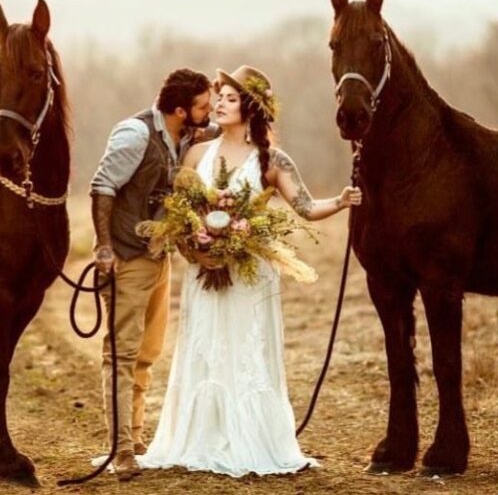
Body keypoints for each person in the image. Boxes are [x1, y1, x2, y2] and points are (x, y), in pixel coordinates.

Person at [137, 65, 362, 477]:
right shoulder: (197, 152)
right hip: (204, 273)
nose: (219, 103)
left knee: (246, 349)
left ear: (251, 108)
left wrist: (342, 200)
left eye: (229, 97)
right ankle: (201, 435)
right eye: (218, 96)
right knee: (206, 347)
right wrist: (195, 249)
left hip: (250, 275)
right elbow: (178, 211)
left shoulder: (271, 160)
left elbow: (306, 208)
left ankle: (251, 437)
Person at [89, 68, 217, 481]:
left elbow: (225, 126)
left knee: (146, 353)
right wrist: (105, 247)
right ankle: (120, 450)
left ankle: (137, 437)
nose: (209, 111)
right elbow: (103, 186)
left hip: (157, 257)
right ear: (181, 109)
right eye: (202, 105)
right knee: (122, 354)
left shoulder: (185, 134)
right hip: (126, 257)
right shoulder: (135, 134)